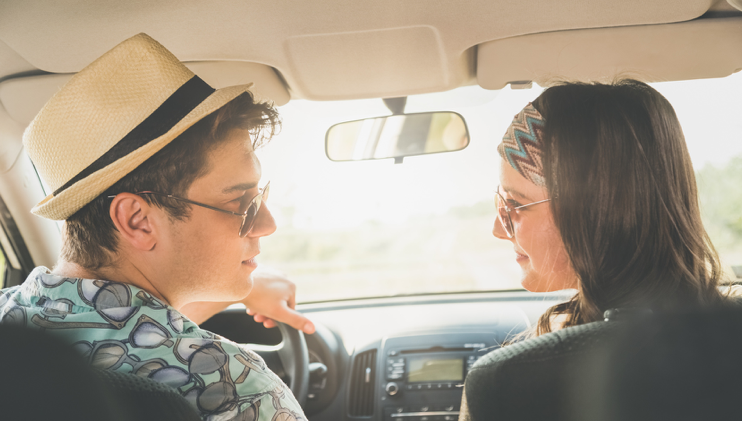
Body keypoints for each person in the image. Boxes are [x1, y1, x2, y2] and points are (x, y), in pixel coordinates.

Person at [0, 33, 311, 420]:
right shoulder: (239, 393)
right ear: (137, 221)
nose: (268, 224)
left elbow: (116, 327)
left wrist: (235, 292)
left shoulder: (11, 332)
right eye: (241, 202)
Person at [491, 79, 728, 337]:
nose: (498, 230)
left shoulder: (527, 370)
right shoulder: (725, 334)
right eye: (501, 202)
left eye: (514, 204)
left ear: (593, 214)